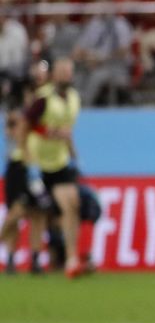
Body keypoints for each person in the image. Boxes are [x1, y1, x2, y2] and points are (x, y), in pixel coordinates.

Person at [24, 58, 88, 277]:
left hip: (59, 162)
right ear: (54, 74)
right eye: (62, 71)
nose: (66, 76)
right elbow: (27, 125)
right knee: (29, 214)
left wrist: (74, 158)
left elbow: (67, 131)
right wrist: (27, 157)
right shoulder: (43, 97)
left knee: (71, 205)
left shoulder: (74, 99)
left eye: (69, 72)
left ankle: (72, 259)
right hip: (38, 161)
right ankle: (33, 256)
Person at [2, 106, 49, 274]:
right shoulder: (19, 120)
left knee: (39, 213)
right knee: (15, 214)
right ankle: (10, 257)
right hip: (19, 169)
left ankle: (35, 259)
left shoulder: (39, 122)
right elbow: (11, 129)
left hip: (35, 172)